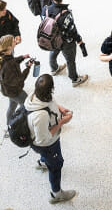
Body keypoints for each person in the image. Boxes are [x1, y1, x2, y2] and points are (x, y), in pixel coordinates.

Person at [26, 74, 77, 203]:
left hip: (47, 142)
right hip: (48, 145)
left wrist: (60, 109)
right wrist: (62, 122)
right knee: (56, 166)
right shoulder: (40, 116)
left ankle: (43, 162)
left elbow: (50, 103)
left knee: (48, 158)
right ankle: (57, 194)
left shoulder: (36, 95)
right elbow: (43, 139)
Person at [44, 0, 88, 86]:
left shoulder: (46, 9)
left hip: (52, 39)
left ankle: (54, 69)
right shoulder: (66, 13)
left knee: (53, 52)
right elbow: (72, 29)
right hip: (66, 42)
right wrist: (79, 40)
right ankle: (74, 79)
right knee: (70, 60)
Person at [0, 34, 32, 126]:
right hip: (15, 91)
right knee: (28, 105)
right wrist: (27, 68)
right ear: (9, 47)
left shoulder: (4, 56)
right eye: (13, 41)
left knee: (12, 107)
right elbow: (19, 80)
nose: (16, 41)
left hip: (7, 90)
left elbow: (13, 61)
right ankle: (24, 124)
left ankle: (9, 125)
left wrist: (22, 57)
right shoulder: (9, 65)